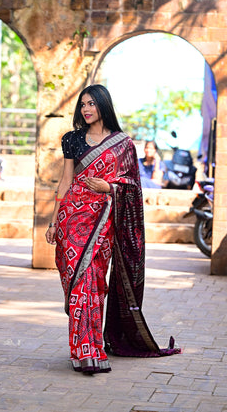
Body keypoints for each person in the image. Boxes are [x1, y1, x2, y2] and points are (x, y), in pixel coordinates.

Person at [45, 84, 180, 375]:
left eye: (91, 104)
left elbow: (132, 186)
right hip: (72, 219)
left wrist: (110, 187)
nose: (86, 109)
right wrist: (54, 220)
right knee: (78, 282)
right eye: (82, 105)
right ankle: (84, 350)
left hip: (104, 219)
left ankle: (90, 349)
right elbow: (65, 180)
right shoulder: (71, 139)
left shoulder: (123, 144)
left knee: (94, 282)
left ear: (103, 105)